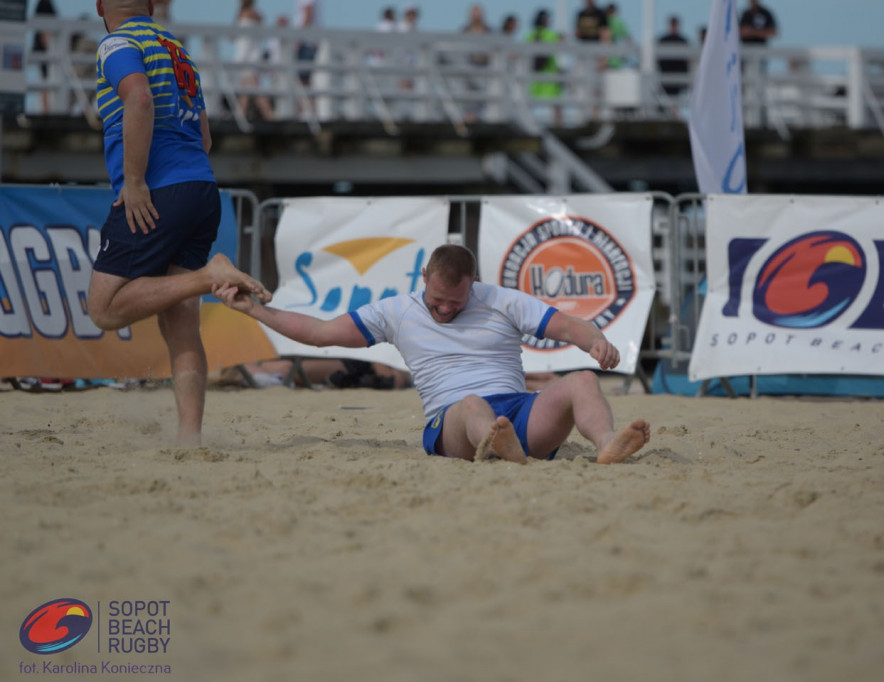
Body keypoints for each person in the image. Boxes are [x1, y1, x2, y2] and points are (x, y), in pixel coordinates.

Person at [213, 244, 651, 465]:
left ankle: (606, 443)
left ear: (473, 283)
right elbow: (318, 332)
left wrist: (594, 342)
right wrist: (254, 310)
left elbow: (570, 326)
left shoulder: (500, 299)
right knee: (471, 404)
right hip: (453, 419)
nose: (443, 309)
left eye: (455, 303)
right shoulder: (396, 311)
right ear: (424, 276)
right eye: (437, 299)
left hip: (518, 411)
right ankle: (505, 453)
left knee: (581, 381)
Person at [88, 0, 272, 445]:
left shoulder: (118, 43)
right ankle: (190, 438)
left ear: (99, 7)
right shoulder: (176, 48)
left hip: (159, 188)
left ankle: (210, 276)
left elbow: (139, 97)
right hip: (201, 187)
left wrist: (134, 180)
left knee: (104, 308)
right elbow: (204, 137)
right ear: (151, 6)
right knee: (181, 323)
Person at [235, 0, 274, 121]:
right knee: (248, 89)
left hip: (248, 56)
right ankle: (241, 116)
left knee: (252, 88)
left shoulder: (246, 14)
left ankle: (268, 116)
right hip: (252, 55)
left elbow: (242, 39)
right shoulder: (257, 14)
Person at [525, 9, 563, 127]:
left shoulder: (531, 35)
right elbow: (561, 41)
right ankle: (558, 125)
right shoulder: (550, 35)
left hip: (535, 77)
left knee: (529, 104)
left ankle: (527, 124)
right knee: (556, 105)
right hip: (550, 76)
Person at [32, 0, 57, 114]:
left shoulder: (42, 4)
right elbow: (44, 27)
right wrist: (49, 45)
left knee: (44, 79)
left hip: (42, 47)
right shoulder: (45, 4)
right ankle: (45, 109)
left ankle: (45, 109)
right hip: (44, 47)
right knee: (45, 79)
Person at [657, 15, 689, 98]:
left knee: (675, 98)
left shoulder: (682, 41)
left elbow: (687, 59)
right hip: (665, 74)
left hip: (678, 75)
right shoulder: (663, 40)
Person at [293, 0, 320, 89]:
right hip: (308, 42)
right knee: (303, 81)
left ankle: (309, 103)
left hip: (306, 44)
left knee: (304, 81)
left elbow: (309, 15)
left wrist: (298, 39)